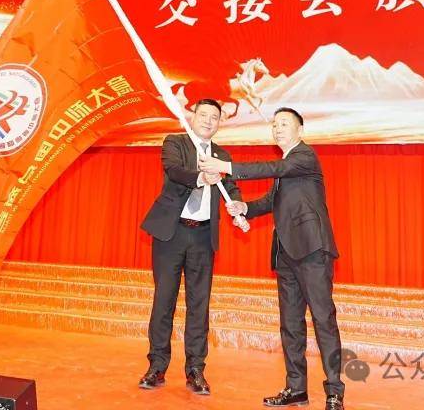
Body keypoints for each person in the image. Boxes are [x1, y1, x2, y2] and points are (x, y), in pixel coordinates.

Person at [199, 107, 344, 410]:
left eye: (284, 124)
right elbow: (271, 201)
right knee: (290, 324)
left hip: (312, 250)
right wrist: (245, 208)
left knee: (323, 320)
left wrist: (225, 166)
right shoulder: (285, 168)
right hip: (285, 253)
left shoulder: (304, 156)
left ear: (300, 130)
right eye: (275, 124)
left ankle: (334, 392)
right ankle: (296, 389)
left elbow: (271, 168)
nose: (278, 129)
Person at [138, 98, 241, 396]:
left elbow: (231, 186)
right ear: (193, 117)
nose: (208, 120)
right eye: (203, 115)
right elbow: (174, 171)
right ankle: (157, 366)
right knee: (164, 300)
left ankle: (196, 369)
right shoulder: (175, 143)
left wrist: (237, 203)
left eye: (214, 117)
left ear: (220, 123)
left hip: (203, 236)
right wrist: (201, 177)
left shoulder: (222, 155)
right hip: (171, 234)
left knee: (199, 304)